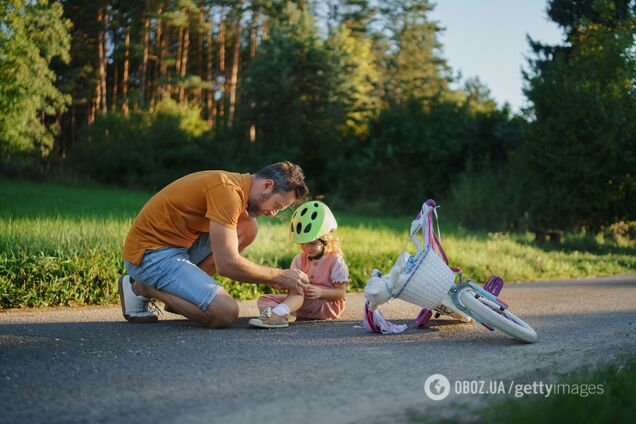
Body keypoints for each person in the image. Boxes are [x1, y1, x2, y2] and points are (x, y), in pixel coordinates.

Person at [118, 161, 310, 328]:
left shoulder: (235, 188)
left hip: (178, 247)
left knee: (248, 227)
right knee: (224, 312)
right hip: (149, 254)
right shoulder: (227, 192)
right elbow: (227, 265)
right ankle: (142, 287)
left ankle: (182, 296)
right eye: (276, 206)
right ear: (267, 185)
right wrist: (278, 275)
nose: (272, 213)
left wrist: (273, 278)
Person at [248, 200, 349, 328]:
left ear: (326, 241)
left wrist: (321, 292)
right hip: (301, 303)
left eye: (312, 243)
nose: (308, 248)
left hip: (324, 305)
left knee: (299, 291)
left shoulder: (335, 261)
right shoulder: (298, 259)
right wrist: (283, 284)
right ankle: (278, 314)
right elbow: (293, 288)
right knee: (265, 299)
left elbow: (341, 293)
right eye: (303, 243)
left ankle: (277, 314)